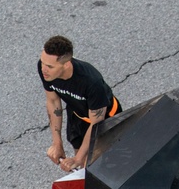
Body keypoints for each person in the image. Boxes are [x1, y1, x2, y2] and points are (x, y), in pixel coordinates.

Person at [38, 35, 121, 172]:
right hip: (77, 114)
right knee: (82, 163)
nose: (43, 69)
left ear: (66, 64)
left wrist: (78, 159)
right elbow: (53, 102)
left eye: (49, 66)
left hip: (104, 119)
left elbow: (96, 123)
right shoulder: (47, 72)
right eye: (42, 63)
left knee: (96, 162)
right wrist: (57, 143)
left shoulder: (91, 82)